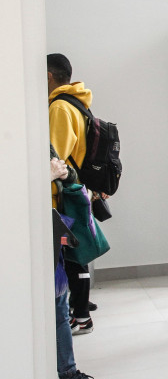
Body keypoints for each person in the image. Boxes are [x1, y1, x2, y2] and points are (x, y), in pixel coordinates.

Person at [50, 146, 106, 379]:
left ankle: (67, 375)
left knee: (59, 306)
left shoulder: (37, 130)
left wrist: (63, 175)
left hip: (50, 230)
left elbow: (68, 172)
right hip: (20, 239)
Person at [47, 53, 96, 334]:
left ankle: (79, 315)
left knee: (72, 255)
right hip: (76, 190)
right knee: (77, 252)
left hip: (63, 192)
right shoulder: (77, 101)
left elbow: (56, 155)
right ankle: (80, 312)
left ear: (49, 76)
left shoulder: (59, 108)